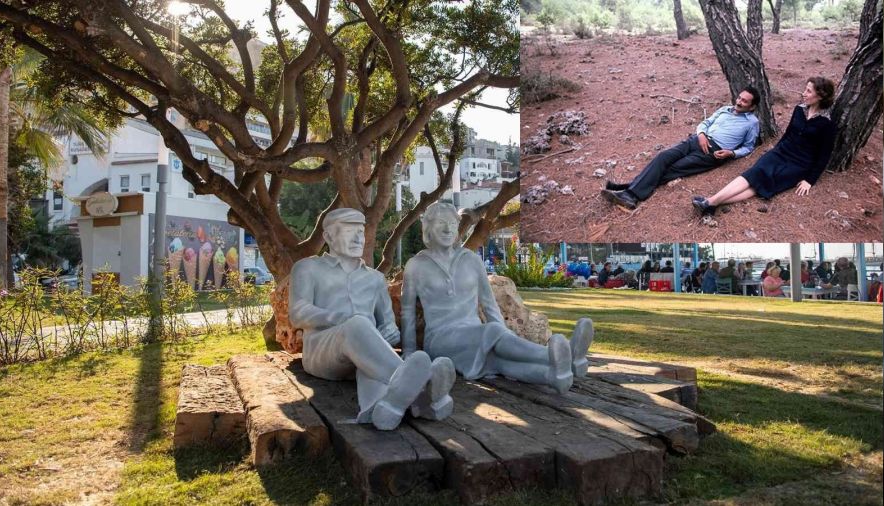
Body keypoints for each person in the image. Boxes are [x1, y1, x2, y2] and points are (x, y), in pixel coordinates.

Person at [289, 208, 456, 431]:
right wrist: (341, 318)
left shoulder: (375, 279)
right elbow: (297, 312)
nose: (359, 237)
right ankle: (424, 391)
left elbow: (387, 322)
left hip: (365, 356)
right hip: (323, 352)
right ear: (328, 236)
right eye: (350, 231)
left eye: (361, 231)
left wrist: (390, 331)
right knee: (358, 324)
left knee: (369, 357)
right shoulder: (308, 268)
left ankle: (385, 408)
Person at [401, 203, 593, 395]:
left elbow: (489, 303)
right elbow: (407, 312)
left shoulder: (471, 260)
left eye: (452, 223)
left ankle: (553, 376)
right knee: (492, 331)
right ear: (427, 228)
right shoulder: (416, 266)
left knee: (499, 362)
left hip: (475, 333)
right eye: (441, 223)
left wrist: (503, 335)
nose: (447, 228)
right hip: (441, 341)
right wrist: (409, 353)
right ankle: (564, 354)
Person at [693, 77, 837, 215]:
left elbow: (824, 155)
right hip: (781, 152)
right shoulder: (799, 109)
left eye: (808, 91)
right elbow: (788, 134)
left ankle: (711, 203)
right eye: (805, 89)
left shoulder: (827, 123)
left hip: (799, 164)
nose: (803, 93)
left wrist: (810, 180)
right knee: (755, 172)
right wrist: (776, 151)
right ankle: (712, 202)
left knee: (763, 183)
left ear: (820, 96)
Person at [602, 87, 760, 209]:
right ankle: (630, 187)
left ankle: (630, 192)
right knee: (663, 157)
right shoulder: (724, 109)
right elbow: (705, 123)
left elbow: (748, 147)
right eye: (739, 98)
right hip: (697, 139)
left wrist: (731, 153)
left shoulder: (752, 123)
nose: (739, 102)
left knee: (675, 168)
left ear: (752, 107)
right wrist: (702, 134)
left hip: (713, 152)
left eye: (745, 101)